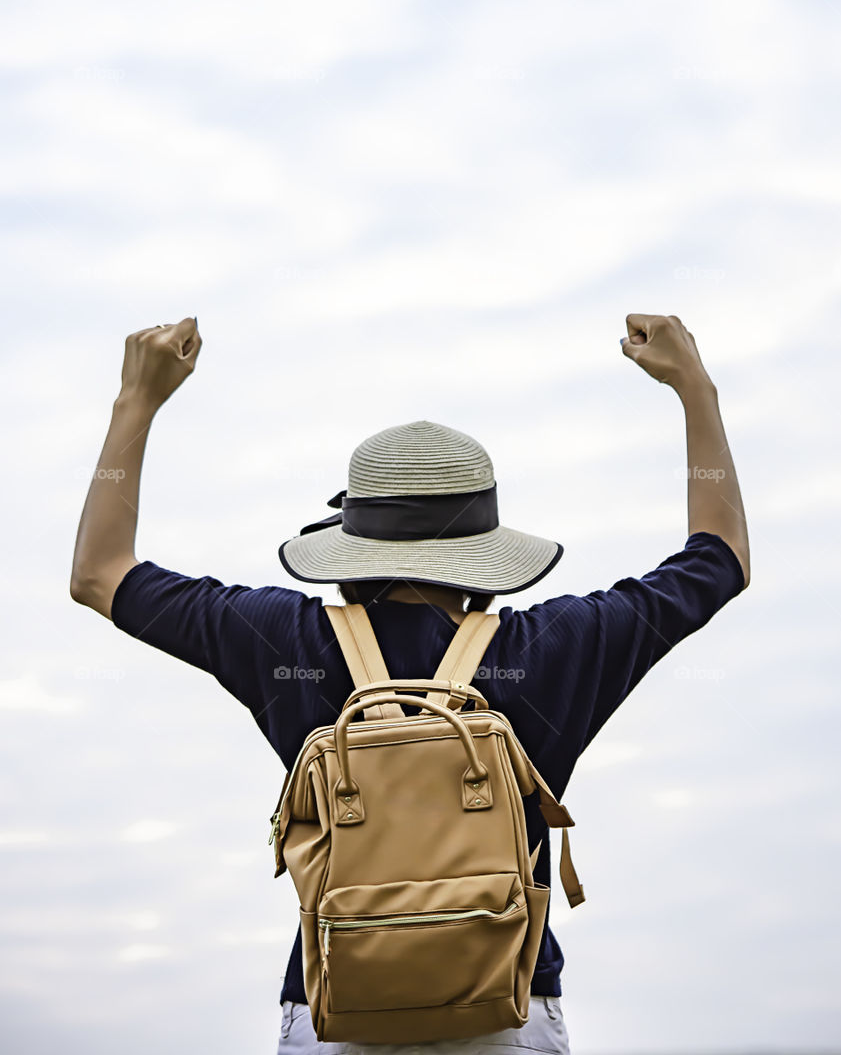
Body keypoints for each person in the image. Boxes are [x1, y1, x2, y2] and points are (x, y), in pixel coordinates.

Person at [70, 312, 750, 1055]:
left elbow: (100, 573)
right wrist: (695, 387)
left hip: (337, 1006)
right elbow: (719, 560)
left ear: (351, 542)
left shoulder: (282, 638)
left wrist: (137, 400)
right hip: (509, 1012)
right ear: (486, 549)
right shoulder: (556, 645)